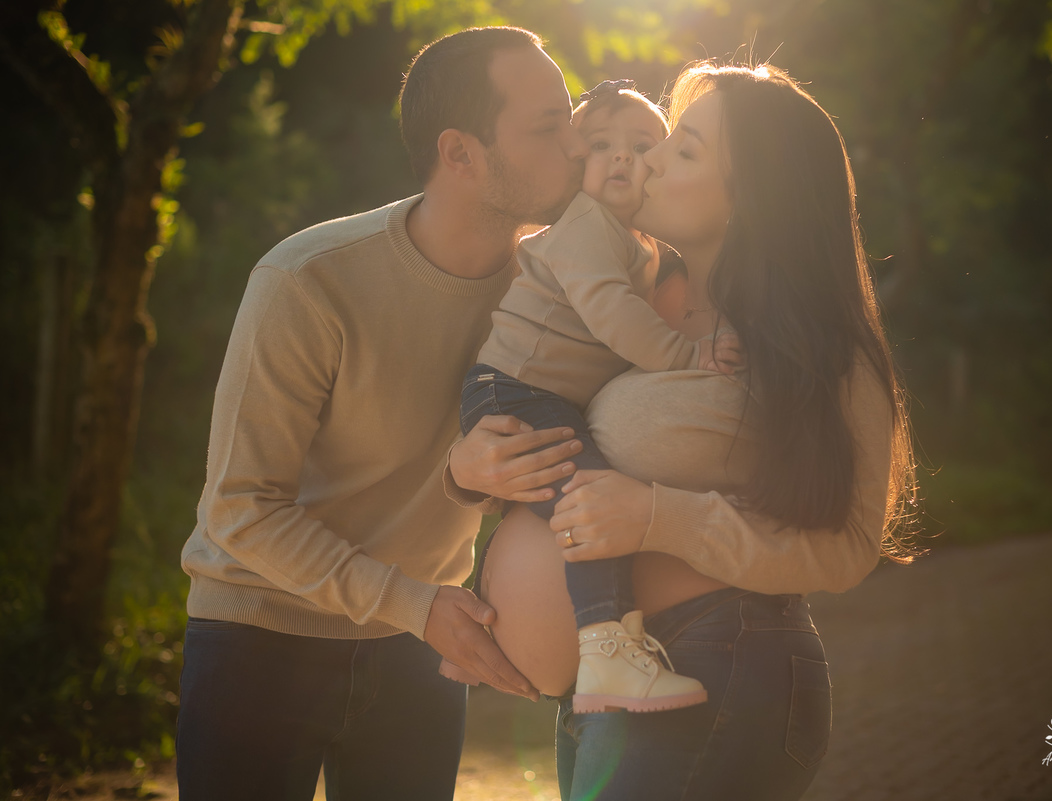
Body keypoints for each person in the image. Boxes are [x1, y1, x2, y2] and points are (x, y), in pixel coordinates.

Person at [449, 61, 918, 801]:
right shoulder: (630, 300)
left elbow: (850, 546)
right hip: (601, 693)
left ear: (751, 198)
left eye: (685, 150)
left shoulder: (813, 347)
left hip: (717, 669)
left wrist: (660, 517)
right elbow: (538, 411)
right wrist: (470, 472)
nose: (651, 158)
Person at [174, 26, 594, 800]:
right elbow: (239, 509)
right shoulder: (308, 280)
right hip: (261, 635)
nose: (574, 144)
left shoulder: (560, 288)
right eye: (546, 126)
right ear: (460, 154)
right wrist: (418, 605)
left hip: (418, 644)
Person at [449, 80, 740, 714]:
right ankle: (610, 649)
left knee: (575, 498)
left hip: (539, 394)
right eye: (601, 145)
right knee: (590, 503)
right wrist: (690, 358)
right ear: (576, 161)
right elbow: (612, 316)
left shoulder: (643, 248)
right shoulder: (586, 225)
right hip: (516, 388)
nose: (621, 158)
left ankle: (588, 638)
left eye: (642, 146)